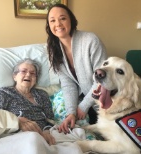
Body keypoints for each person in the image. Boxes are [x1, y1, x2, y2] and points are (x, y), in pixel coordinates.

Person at [46, 4, 107, 134]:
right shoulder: (54, 49)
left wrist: (83, 106)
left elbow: (102, 80)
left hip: (105, 97)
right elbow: (68, 84)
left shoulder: (90, 40)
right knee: (76, 129)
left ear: (71, 20)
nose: (58, 23)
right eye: (52, 20)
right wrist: (71, 112)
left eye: (62, 18)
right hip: (86, 99)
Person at [0, 58, 55, 145]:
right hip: (16, 134)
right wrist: (17, 121)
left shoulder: (42, 94)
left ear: (35, 79)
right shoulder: (4, 92)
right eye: (23, 71)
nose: (28, 75)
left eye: (32, 73)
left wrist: (46, 132)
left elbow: (50, 119)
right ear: (14, 76)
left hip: (44, 135)